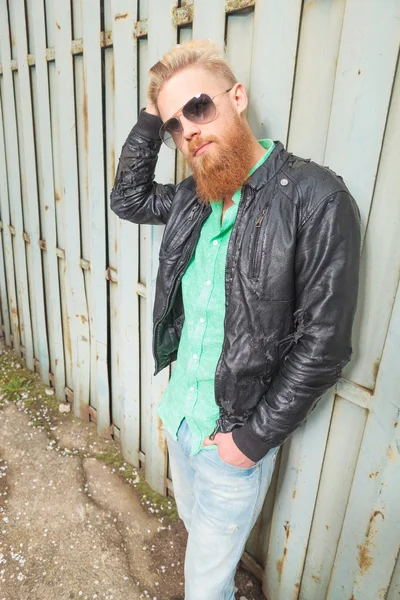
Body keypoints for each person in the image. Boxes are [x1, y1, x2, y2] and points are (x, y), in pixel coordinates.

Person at [111, 40, 361, 600]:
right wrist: (155, 108)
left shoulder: (316, 198)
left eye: (198, 107)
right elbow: (127, 198)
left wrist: (250, 440)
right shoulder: (193, 197)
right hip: (181, 419)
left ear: (237, 97)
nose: (188, 131)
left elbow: (325, 344)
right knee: (203, 549)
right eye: (176, 124)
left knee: (203, 583)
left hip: (234, 436)